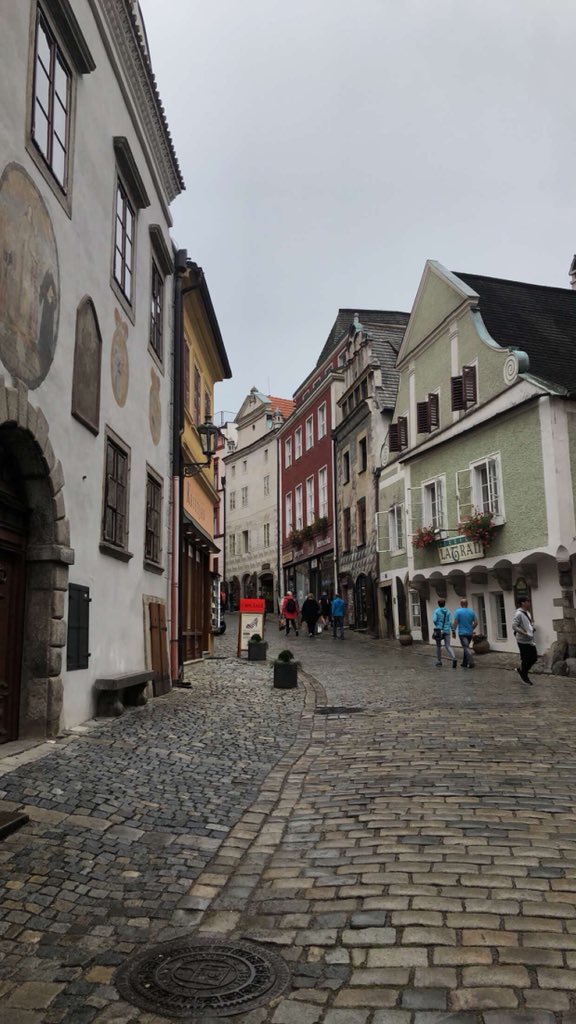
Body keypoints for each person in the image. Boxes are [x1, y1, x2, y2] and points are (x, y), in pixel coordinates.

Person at [512, 598, 537, 685]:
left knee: (534, 658)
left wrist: (532, 628)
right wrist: (524, 632)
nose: (529, 603)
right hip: (522, 640)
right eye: (527, 602)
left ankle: (522, 671)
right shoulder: (518, 614)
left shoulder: (528, 613)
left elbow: (528, 624)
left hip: (530, 639)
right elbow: (514, 626)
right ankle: (524, 675)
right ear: (522, 603)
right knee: (526, 659)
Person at [452, 599, 478, 669]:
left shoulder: (458, 611)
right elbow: (476, 622)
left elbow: (455, 622)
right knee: (466, 647)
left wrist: (453, 631)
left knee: (466, 647)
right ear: (467, 604)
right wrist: (472, 628)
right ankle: (464, 663)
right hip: (469, 633)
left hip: (462, 633)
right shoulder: (471, 611)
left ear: (461, 604)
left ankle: (471, 662)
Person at [432, 598, 457, 668]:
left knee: (438, 646)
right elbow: (450, 622)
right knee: (448, 645)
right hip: (447, 630)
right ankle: (454, 657)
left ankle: (439, 661)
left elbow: (434, 620)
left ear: (438, 604)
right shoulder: (448, 611)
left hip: (439, 630)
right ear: (444, 604)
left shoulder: (436, 611)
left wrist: (437, 625)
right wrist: (453, 630)